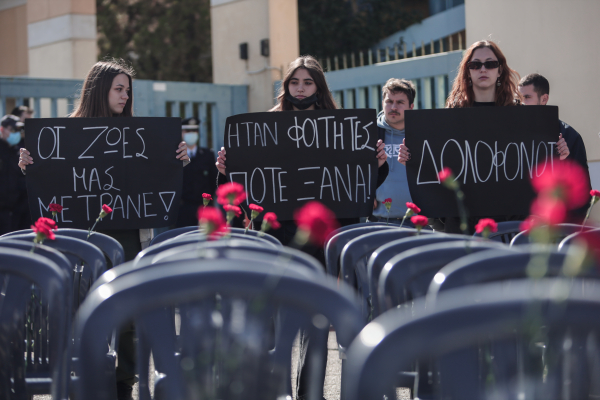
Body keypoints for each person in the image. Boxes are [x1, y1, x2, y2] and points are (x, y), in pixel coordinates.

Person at [216, 55, 388, 400]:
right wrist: (225, 169)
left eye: (308, 82)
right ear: (286, 87)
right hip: (277, 235)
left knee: (315, 320)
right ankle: (276, 391)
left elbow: (358, 188)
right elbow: (245, 184)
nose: (300, 88)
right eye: (295, 82)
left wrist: (377, 166)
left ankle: (311, 393)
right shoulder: (262, 128)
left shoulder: (342, 129)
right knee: (276, 322)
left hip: (321, 238)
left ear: (318, 87)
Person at [17, 59, 190, 400]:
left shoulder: (142, 136)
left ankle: (122, 383)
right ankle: (83, 377)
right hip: (80, 240)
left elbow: (156, 179)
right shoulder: (62, 135)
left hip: (128, 235)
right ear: (100, 90)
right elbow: (50, 185)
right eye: (119, 89)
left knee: (126, 312)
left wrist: (177, 159)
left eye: (129, 90)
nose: (126, 96)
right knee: (80, 310)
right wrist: (29, 166)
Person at [398, 40, 570, 233]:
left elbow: (534, 162)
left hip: (510, 224)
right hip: (463, 225)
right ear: (468, 71)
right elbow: (438, 168)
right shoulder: (450, 117)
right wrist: (412, 160)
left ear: (499, 70)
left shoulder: (520, 116)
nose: (483, 69)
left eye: (490, 64)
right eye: (475, 64)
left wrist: (557, 154)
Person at [368, 78, 416, 223]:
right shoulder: (369, 133)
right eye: (389, 101)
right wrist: (365, 196)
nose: (393, 107)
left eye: (400, 102)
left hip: (417, 221)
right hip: (378, 220)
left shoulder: (421, 134)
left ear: (411, 107)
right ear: (382, 104)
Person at [176, 117, 218, 227]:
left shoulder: (207, 154)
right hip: (183, 209)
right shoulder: (176, 156)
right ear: (182, 133)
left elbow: (214, 181)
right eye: (187, 131)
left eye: (194, 131)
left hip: (205, 208)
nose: (191, 134)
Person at [0, 115, 24, 235]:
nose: (16, 133)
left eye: (18, 130)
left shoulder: (19, 152)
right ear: (2, 129)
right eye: (12, 130)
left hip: (15, 212)